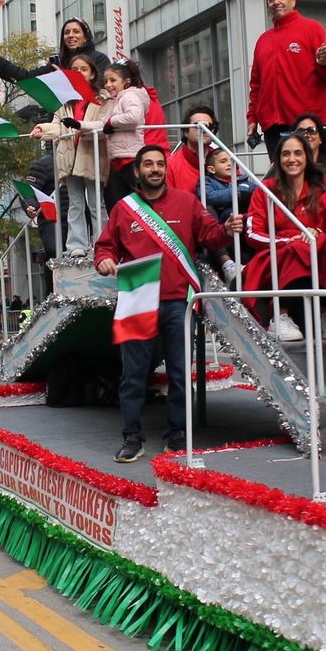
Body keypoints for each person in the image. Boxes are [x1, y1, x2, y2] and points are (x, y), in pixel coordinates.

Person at [93, 145, 243, 463]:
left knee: (178, 371)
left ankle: (177, 434)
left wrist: (227, 231)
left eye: (160, 163)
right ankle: (132, 438)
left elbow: (211, 237)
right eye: (148, 164)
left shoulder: (187, 202)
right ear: (137, 171)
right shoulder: (123, 208)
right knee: (133, 374)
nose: (155, 169)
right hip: (137, 298)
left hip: (178, 301)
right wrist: (105, 260)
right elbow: (105, 246)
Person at [243, 132, 326, 341]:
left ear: (307, 158)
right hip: (276, 257)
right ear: (277, 159)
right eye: (285, 154)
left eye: (298, 153)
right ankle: (280, 315)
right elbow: (252, 233)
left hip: (315, 253)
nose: (292, 159)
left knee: (321, 244)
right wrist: (288, 240)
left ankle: (322, 311)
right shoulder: (265, 190)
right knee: (299, 247)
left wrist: (316, 232)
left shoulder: (320, 188)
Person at [246, 0, 326, 159]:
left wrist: (324, 62)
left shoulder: (312, 28)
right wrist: (252, 119)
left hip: (306, 124)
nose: (275, 2)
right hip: (272, 127)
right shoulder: (263, 41)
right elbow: (256, 85)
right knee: (282, 183)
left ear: (293, 1)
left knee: (316, 177)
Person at [31, 54, 111, 256]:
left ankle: (103, 244)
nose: (78, 73)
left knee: (96, 203)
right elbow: (57, 126)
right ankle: (76, 245)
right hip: (69, 158)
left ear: (92, 74)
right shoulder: (65, 102)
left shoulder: (103, 99)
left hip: (92, 155)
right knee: (75, 203)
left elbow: (105, 125)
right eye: (74, 70)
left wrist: (83, 127)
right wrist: (42, 129)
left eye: (83, 69)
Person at [63, 58, 148, 215]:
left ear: (127, 82)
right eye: (106, 81)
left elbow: (134, 117)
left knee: (135, 206)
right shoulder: (117, 100)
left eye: (113, 80)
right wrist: (79, 125)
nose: (108, 85)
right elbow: (103, 124)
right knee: (116, 205)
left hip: (130, 158)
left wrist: (111, 122)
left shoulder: (130, 96)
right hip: (117, 159)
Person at [166, 106, 220, 194]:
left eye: (209, 126)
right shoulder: (171, 164)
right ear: (186, 132)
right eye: (197, 126)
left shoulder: (225, 159)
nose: (203, 129)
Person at [23, 153, 60, 262]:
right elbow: (28, 190)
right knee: (54, 252)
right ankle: (52, 277)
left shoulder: (80, 159)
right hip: (51, 219)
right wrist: (31, 206)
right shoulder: (44, 164)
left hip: (77, 216)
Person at [204, 148, 254, 224]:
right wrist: (236, 192)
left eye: (232, 160)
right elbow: (208, 197)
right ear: (212, 169)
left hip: (243, 218)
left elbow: (255, 190)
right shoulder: (207, 181)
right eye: (223, 161)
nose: (230, 163)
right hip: (222, 219)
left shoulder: (241, 179)